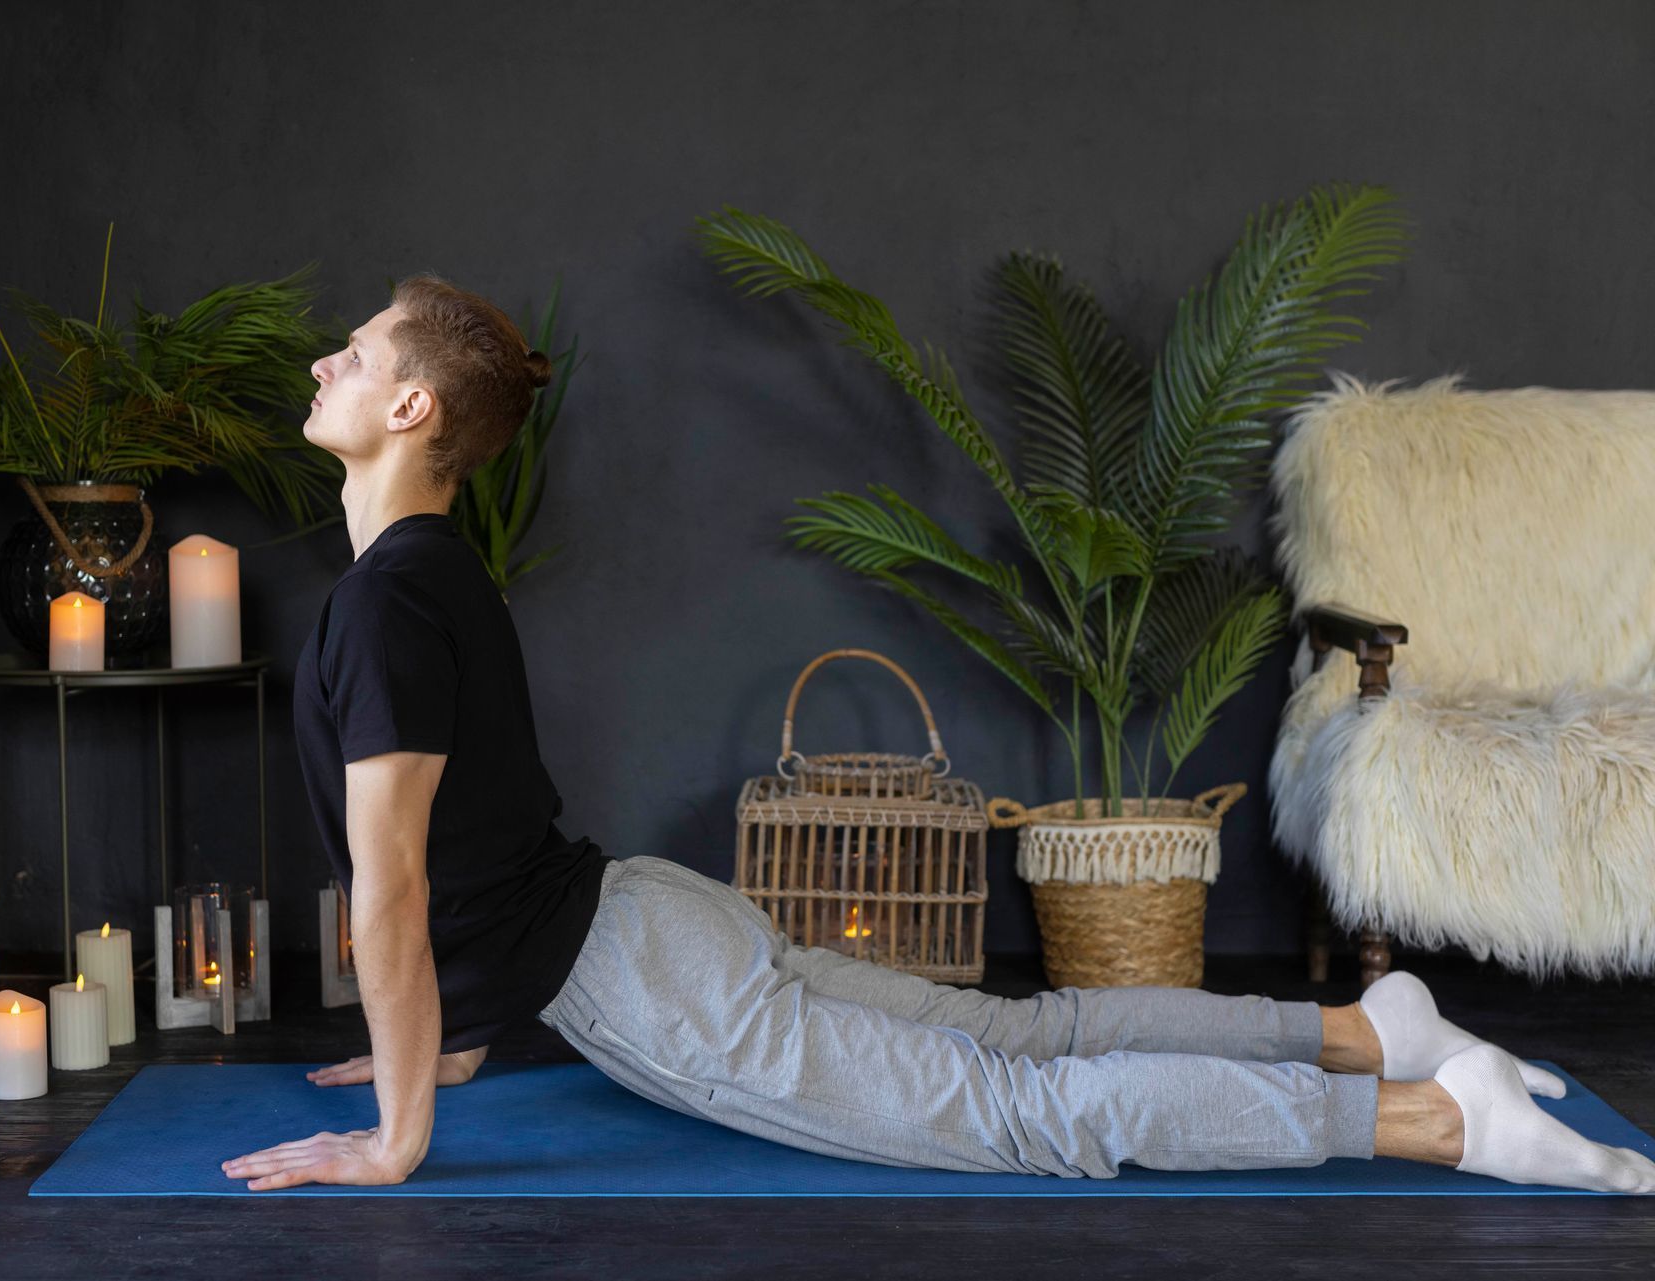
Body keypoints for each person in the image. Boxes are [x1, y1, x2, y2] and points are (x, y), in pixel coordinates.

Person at [221, 275, 1654, 1196]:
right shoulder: (427, 576)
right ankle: (1366, 1026)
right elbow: (485, 840)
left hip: (655, 985)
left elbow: (401, 885)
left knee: (1026, 1114)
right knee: (1032, 1036)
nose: (320, 367)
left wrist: (401, 1133)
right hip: (639, 921)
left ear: (411, 406)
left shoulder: (384, 604)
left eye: (348, 354)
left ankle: (1443, 1124)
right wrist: (453, 1036)